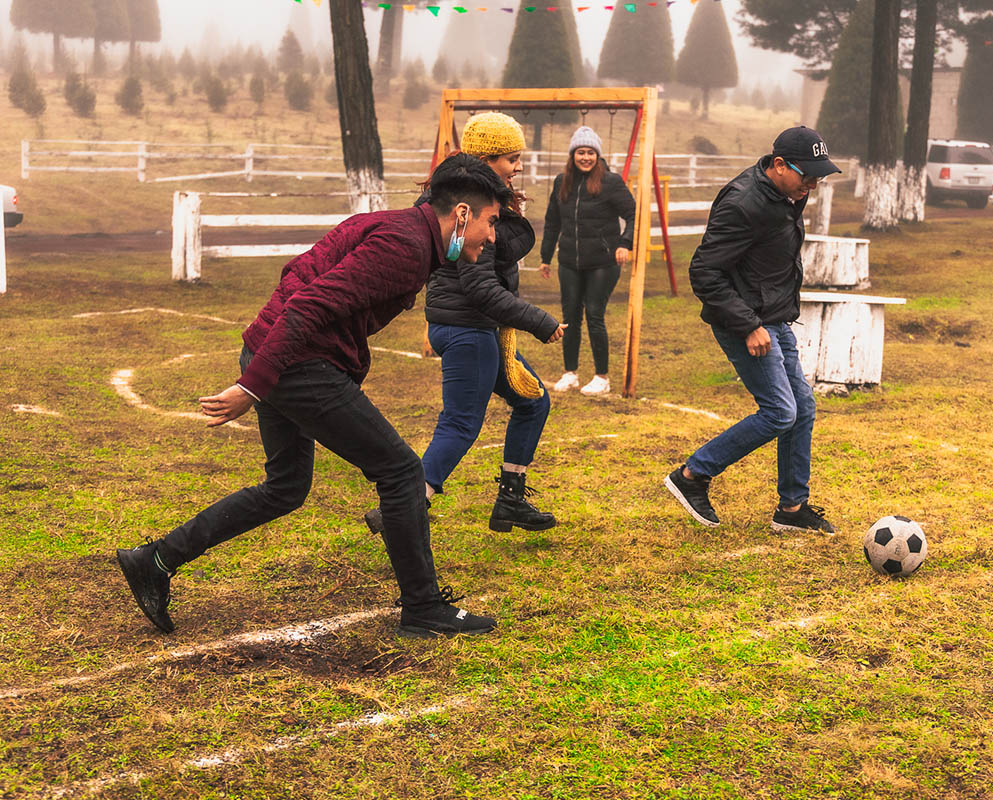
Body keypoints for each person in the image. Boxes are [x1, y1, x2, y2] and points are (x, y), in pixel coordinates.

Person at [116, 154, 509, 639]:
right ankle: (423, 607)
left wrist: (268, 360)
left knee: (286, 487)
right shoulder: (405, 246)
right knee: (404, 472)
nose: (492, 237)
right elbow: (307, 304)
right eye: (491, 223)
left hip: (280, 354)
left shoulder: (401, 230)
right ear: (462, 214)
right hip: (297, 366)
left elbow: (298, 272)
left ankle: (154, 559)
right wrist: (253, 385)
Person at [364, 112, 566, 536]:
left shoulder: (471, 202)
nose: (517, 168)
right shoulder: (471, 214)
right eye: (511, 159)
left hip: (469, 328)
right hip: (469, 330)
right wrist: (539, 321)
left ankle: (510, 500)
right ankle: (401, 509)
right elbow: (479, 288)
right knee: (460, 423)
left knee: (533, 402)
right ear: (487, 158)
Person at [664, 126, 841, 534]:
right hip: (746, 323)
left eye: (819, 177)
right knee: (780, 412)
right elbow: (704, 272)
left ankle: (792, 509)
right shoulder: (744, 203)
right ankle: (692, 476)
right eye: (807, 176)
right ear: (779, 165)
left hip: (774, 318)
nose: (813, 184)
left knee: (803, 409)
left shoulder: (786, 193)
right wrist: (749, 325)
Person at [539, 126, 636, 397]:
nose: (585, 157)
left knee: (594, 314)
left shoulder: (612, 182)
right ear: (572, 155)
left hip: (603, 262)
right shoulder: (562, 182)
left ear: (597, 155)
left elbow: (632, 213)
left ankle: (601, 377)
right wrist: (546, 257)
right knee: (570, 317)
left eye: (590, 152)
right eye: (580, 152)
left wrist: (624, 244)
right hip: (569, 260)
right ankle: (570, 373)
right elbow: (552, 222)